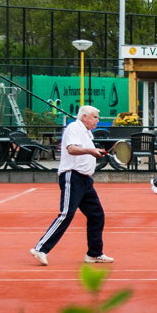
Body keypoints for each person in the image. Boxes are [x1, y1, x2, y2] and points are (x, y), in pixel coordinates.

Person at [31, 105, 112, 266]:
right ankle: (40, 249)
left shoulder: (86, 132)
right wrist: (90, 151)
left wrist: (94, 151)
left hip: (86, 181)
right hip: (72, 176)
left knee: (97, 215)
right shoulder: (74, 127)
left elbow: (84, 150)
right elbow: (71, 149)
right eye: (95, 117)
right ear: (84, 117)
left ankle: (94, 254)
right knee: (66, 214)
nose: (98, 120)